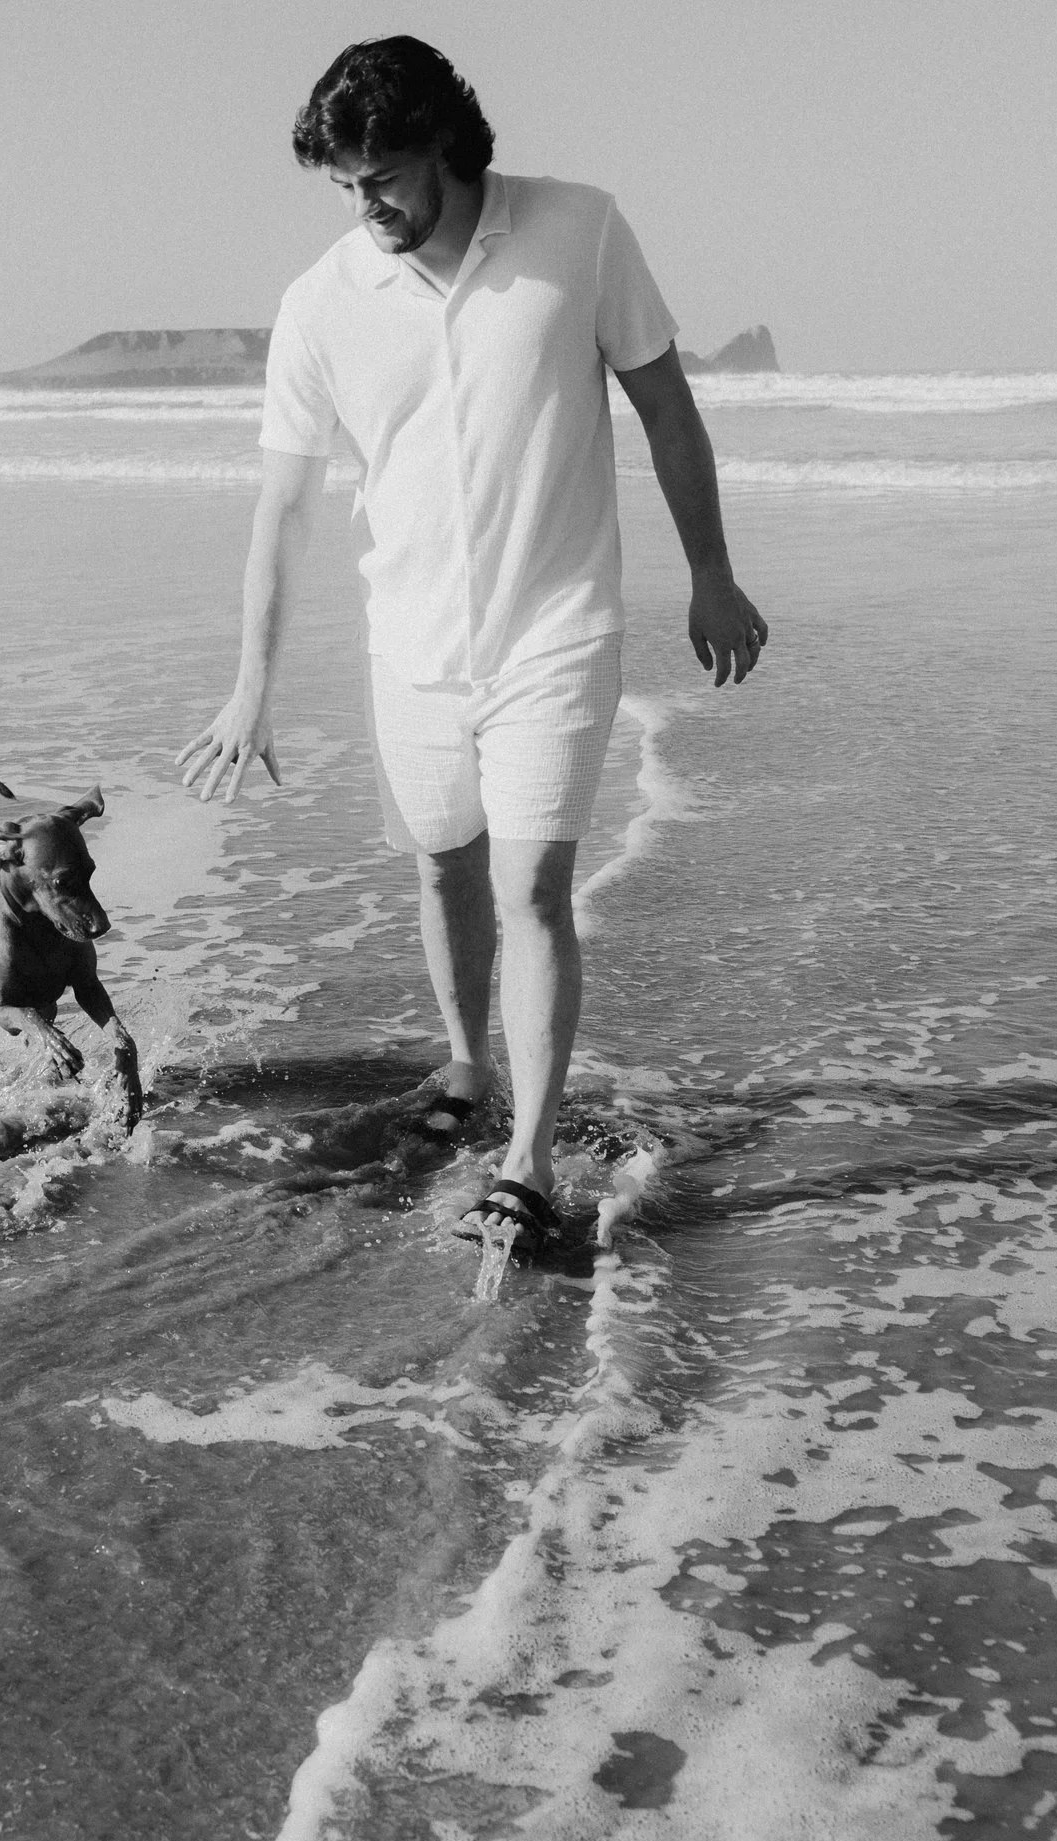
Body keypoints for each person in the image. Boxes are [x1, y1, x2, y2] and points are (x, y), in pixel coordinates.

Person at [180, 36, 770, 1256]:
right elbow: (280, 509)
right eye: (347, 184)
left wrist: (712, 573)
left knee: (530, 888)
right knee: (444, 865)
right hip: (411, 645)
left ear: (446, 144)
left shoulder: (579, 230)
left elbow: (665, 404)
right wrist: (251, 682)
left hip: (556, 631)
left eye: (384, 173)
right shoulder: (320, 303)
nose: (370, 203)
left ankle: (528, 1155)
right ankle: (465, 1066)